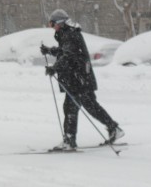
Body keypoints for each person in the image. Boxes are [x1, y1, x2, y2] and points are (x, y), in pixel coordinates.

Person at [40, 9, 124, 150]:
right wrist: (50, 50)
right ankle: (114, 129)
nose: (52, 26)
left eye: (52, 23)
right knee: (91, 107)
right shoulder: (67, 33)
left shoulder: (69, 34)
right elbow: (65, 51)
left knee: (71, 108)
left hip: (77, 79)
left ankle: (70, 140)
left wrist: (55, 68)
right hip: (80, 78)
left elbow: (68, 56)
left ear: (59, 22)